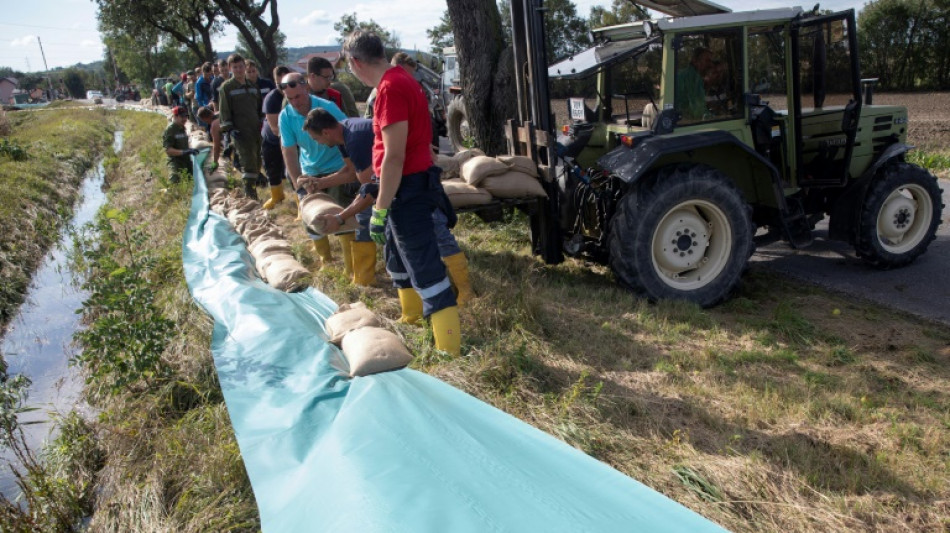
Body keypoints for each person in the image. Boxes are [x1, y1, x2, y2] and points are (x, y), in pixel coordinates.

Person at [344, 30, 461, 356]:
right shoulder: (399, 81)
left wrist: (380, 208)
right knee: (398, 257)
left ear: (356, 62)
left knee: (425, 267)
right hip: (403, 183)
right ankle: (411, 317)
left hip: (405, 188)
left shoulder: (391, 88)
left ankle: (448, 350)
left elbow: (394, 156)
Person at [305, 108, 474, 304]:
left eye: (316, 139)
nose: (319, 144)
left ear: (326, 132)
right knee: (368, 222)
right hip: (395, 183)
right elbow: (353, 172)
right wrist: (320, 183)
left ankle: (465, 292)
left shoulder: (355, 139)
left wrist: (340, 218)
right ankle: (364, 279)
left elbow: (372, 191)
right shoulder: (344, 134)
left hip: (416, 182)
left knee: (437, 232)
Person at [277, 72, 355, 273]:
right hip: (310, 171)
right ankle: (326, 261)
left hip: (337, 168)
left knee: (342, 217)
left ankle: (351, 267)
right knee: (312, 218)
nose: (295, 102)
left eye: (299, 96)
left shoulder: (327, 108)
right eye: (291, 99)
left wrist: (348, 170)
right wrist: (297, 184)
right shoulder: (285, 116)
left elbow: (346, 136)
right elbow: (289, 150)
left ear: (307, 88)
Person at [218, 53, 264, 199]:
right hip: (240, 131)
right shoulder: (227, 88)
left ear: (245, 67)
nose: (238, 70)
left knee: (257, 161)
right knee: (247, 163)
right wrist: (230, 129)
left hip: (255, 129)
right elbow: (224, 110)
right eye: (235, 67)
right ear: (230, 69)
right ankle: (250, 195)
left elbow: (259, 107)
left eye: (241, 66)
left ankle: (254, 187)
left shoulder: (252, 86)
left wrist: (263, 122)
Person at [260, 64, 291, 209]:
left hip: (290, 138)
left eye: (285, 83)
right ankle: (276, 196)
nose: (282, 88)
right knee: (273, 168)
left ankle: (299, 202)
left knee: (292, 171)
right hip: (272, 139)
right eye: (279, 84)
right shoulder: (272, 99)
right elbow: (275, 128)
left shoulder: (297, 94)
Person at [675, 47, 713, 121]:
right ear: (695, 61)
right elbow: (698, 111)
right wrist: (715, 118)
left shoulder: (682, 74)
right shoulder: (694, 78)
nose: (711, 65)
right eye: (707, 61)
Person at [163, 106, 197, 183]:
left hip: (186, 160)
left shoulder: (183, 128)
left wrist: (190, 150)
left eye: (186, 116)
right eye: (182, 116)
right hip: (176, 161)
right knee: (174, 179)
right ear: (175, 116)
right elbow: (168, 150)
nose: (184, 119)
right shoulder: (171, 129)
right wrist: (184, 152)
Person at [196, 106, 222, 172]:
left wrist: (215, 162)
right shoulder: (221, 113)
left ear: (204, 119)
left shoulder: (214, 125)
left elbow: (216, 146)